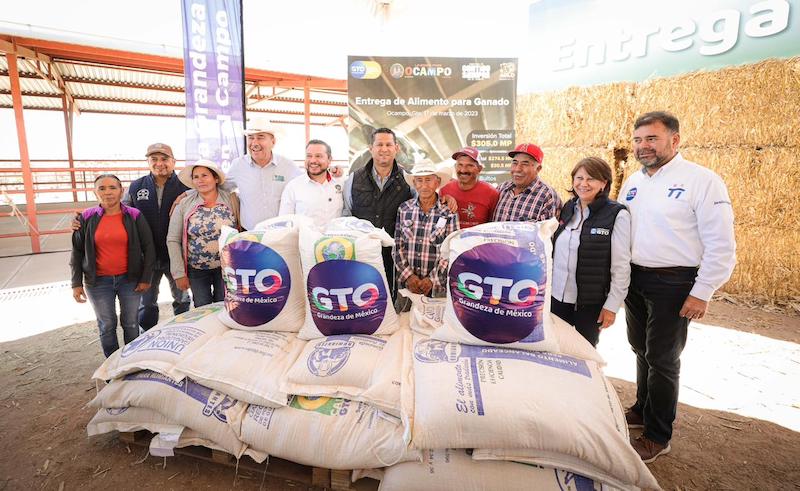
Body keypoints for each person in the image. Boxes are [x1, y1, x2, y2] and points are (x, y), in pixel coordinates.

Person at [620, 111, 736, 463]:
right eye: (638, 140)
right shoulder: (633, 182)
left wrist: (702, 290)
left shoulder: (702, 180)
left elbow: (721, 243)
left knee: (663, 358)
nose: (643, 146)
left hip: (674, 282)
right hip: (636, 278)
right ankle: (642, 409)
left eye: (652, 138)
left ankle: (658, 435)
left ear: (675, 140)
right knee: (640, 347)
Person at [72, 143, 190, 330]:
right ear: (148, 162)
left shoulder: (186, 185)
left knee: (182, 298)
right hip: (146, 256)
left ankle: (183, 332)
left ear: (173, 161)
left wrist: (188, 193)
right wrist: (84, 219)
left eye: (164, 159)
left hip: (177, 254)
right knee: (147, 302)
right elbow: (118, 211)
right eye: (154, 159)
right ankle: (147, 334)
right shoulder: (137, 186)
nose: (159, 163)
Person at [344, 128, 457, 299]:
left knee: (390, 302)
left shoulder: (407, 181)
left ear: (396, 148)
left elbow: (425, 200)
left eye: (388, 144)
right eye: (379, 144)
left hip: (393, 263)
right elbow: (346, 216)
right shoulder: (353, 179)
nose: (384, 149)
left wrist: (446, 198)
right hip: (361, 256)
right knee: (360, 299)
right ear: (370, 148)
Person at [70, 174, 155, 357]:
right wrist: (76, 283)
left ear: (121, 191)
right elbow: (77, 251)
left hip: (129, 280)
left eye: (112, 188)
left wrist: (145, 278)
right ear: (95, 192)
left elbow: (149, 248)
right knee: (107, 324)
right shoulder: (86, 217)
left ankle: (131, 361)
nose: (107, 192)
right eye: (102, 188)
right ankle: (112, 364)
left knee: (130, 322)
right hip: (97, 282)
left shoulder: (134, 215)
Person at [550, 157, 631, 347]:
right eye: (579, 178)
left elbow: (620, 266)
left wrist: (612, 306)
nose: (583, 184)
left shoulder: (617, 214)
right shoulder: (568, 207)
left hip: (590, 304)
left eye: (591, 179)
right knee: (557, 349)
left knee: (584, 353)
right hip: (557, 300)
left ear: (604, 183)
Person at [167, 160, 240, 307]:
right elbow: (173, 239)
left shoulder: (232, 200)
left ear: (216, 179)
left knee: (225, 307)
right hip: (197, 270)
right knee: (202, 307)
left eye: (205, 175)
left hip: (227, 267)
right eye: (196, 177)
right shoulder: (184, 204)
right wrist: (179, 273)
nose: (200, 180)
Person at [393, 162, 459, 310]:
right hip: (407, 286)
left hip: (437, 287)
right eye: (419, 180)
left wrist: (432, 279)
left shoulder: (449, 212)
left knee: (433, 323)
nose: (424, 185)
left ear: (437, 182)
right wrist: (409, 276)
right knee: (404, 321)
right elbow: (397, 246)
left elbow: (451, 250)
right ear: (414, 183)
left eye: (428, 180)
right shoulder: (404, 209)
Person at [225, 117, 302, 230]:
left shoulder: (288, 166)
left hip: (280, 233)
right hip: (249, 232)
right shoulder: (238, 165)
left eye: (260, 137)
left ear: (273, 142)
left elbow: (305, 186)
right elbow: (221, 188)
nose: (254, 143)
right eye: (251, 138)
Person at [278, 139, 344, 228]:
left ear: (329, 159)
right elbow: (284, 222)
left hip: (336, 237)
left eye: (318, 156)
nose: (313, 160)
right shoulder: (293, 187)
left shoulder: (341, 183)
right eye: (309, 156)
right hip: (304, 237)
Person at [492, 143, 562, 222]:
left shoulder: (548, 196)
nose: (517, 169)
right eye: (515, 163)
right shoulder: (501, 189)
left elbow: (548, 229)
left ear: (538, 168)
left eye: (525, 164)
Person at [440, 146, 499, 228]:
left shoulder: (491, 193)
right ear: (455, 166)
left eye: (470, 165)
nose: (463, 170)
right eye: (460, 165)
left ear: (479, 169)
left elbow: (494, 225)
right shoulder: (444, 190)